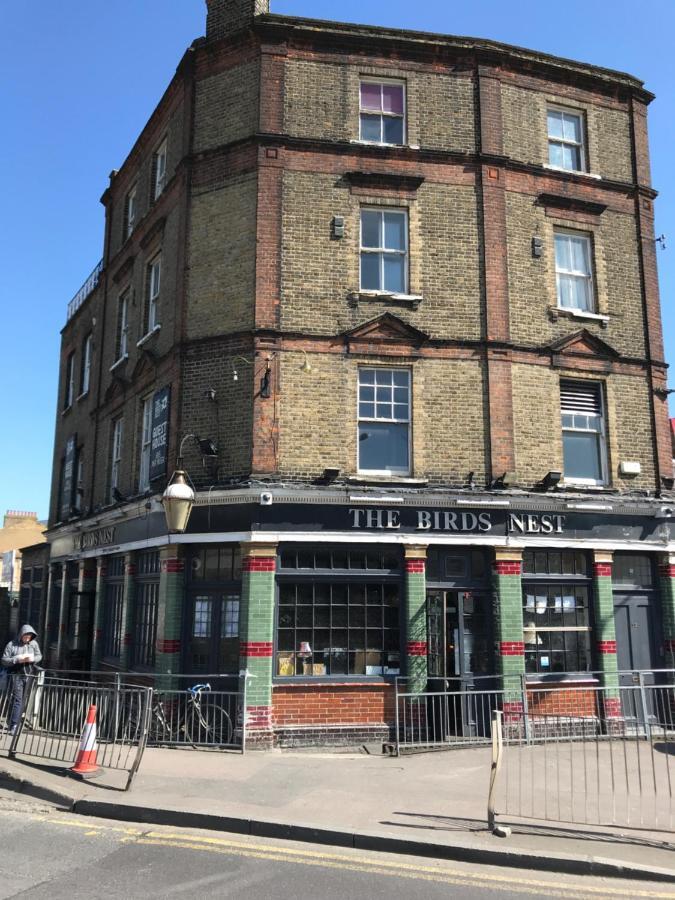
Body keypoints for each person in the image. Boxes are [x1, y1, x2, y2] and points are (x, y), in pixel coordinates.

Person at [1, 624, 42, 735]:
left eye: (29, 636)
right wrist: (16, 659)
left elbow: (39, 656)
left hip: (28, 675)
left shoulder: (33, 644)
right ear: (21, 635)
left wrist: (32, 659)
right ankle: (14, 725)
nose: (27, 638)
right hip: (15, 675)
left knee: (22, 700)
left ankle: (12, 722)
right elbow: (4, 660)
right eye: (26, 636)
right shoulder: (11, 644)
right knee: (17, 700)